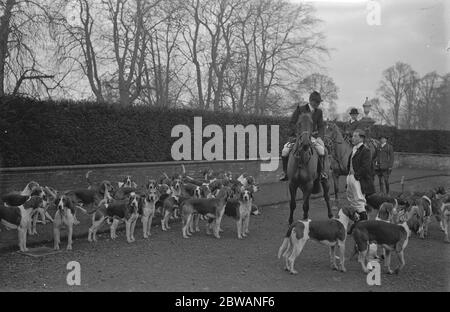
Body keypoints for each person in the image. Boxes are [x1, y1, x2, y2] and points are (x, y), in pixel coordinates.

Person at [279, 91, 327, 181]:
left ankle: (321, 173)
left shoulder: (319, 112)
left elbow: (321, 126)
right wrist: (298, 133)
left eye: (319, 102)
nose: (318, 104)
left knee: (321, 151)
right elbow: (292, 123)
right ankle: (285, 172)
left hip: (312, 137)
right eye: (316, 102)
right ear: (310, 101)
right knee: (284, 151)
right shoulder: (300, 109)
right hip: (298, 136)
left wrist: (320, 137)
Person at [346, 129, 375, 221]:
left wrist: (356, 176)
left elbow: (365, 167)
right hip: (350, 177)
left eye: (355, 136)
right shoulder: (354, 149)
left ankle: (364, 223)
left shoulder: (365, 150)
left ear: (361, 138)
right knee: (352, 200)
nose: (352, 138)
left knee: (359, 200)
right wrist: (349, 176)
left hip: (358, 178)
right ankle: (357, 222)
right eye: (353, 136)